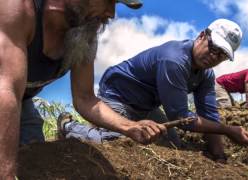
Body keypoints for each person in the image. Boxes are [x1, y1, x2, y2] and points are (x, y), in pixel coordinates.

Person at [0, 0, 168, 178]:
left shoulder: (84, 34)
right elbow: (6, 89)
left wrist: (129, 127)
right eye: (107, 2)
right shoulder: (18, 9)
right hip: (6, 95)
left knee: (36, 159)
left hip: (21, 102)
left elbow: (85, 98)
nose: (111, 13)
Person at [58, 18, 248, 162]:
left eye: (221, 55)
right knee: (124, 142)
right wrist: (229, 130)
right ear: (202, 35)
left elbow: (209, 115)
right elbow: (181, 117)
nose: (214, 57)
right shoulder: (174, 60)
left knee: (171, 146)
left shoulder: (206, 75)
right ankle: (69, 128)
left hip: (146, 106)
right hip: (119, 95)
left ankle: (106, 126)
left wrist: (219, 157)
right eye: (213, 48)